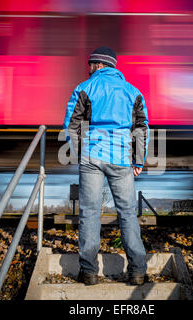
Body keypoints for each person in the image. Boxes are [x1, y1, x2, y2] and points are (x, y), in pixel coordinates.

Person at [63, 46, 150, 285]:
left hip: (92, 156)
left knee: (89, 213)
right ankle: (138, 271)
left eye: (90, 65)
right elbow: (142, 128)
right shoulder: (133, 92)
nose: (88, 69)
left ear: (99, 65)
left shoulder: (84, 88)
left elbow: (72, 124)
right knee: (128, 214)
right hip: (122, 158)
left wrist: (82, 151)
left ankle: (89, 272)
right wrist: (138, 160)